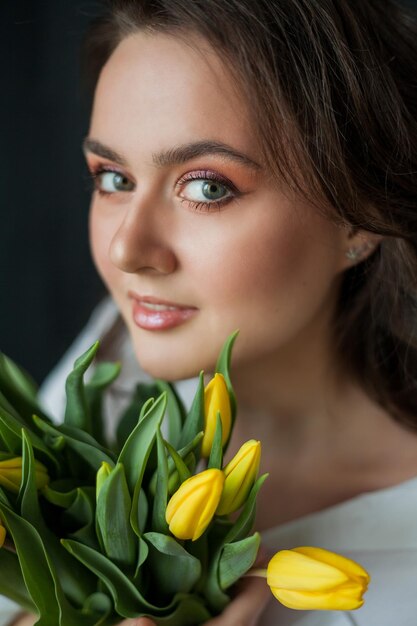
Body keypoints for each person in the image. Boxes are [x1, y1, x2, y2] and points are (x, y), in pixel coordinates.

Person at [4, 0, 417, 624]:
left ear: (359, 220)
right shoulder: (113, 363)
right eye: (113, 178)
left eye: (207, 187)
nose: (127, 250)